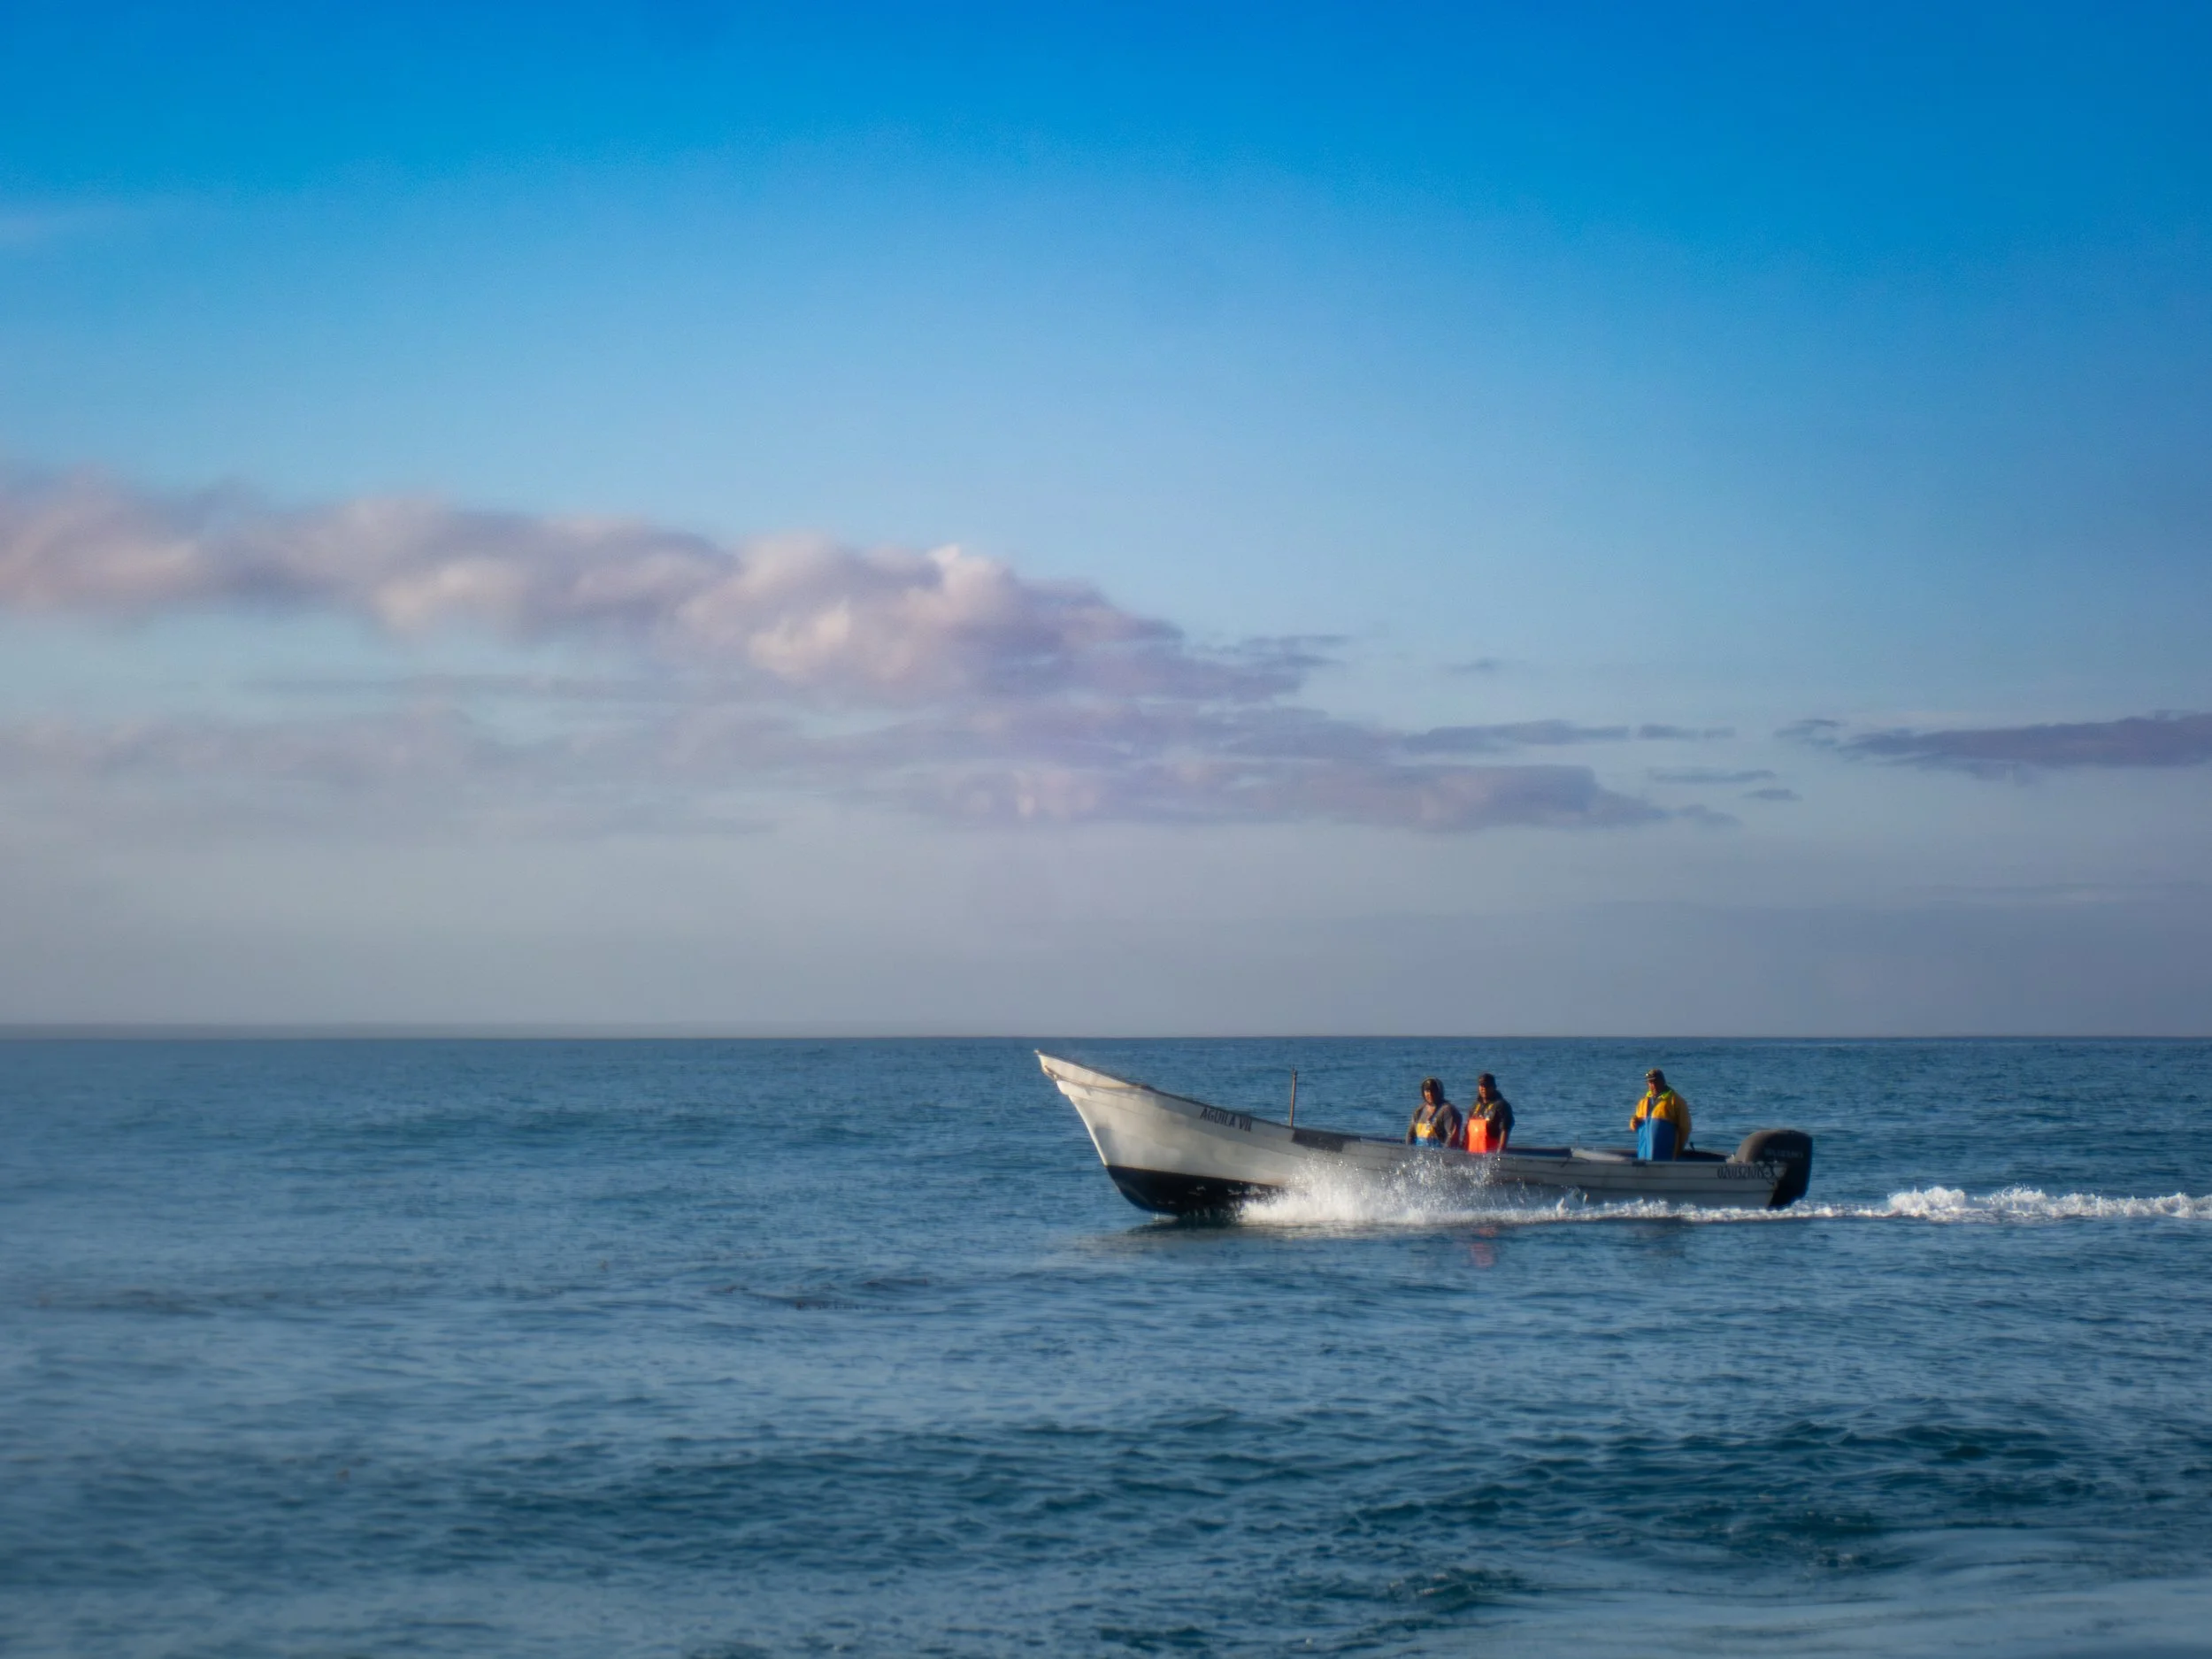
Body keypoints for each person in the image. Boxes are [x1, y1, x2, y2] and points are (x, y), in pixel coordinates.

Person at [1630, 1069, 1692, 1161]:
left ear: (1663, 1081)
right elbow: (1636, 1123)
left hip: (1665, 1156)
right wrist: (1633, 1123)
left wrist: (1678, 1150)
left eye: (1656, 1081)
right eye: (1650, 1082)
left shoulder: (1676, 1101)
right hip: (1644, 1155)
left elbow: (1685, 1128)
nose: (1653, 1085)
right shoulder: (1643, 1102)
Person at [1406, 1077, 1462, 1149]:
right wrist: (1409, 1151)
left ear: (1439, 1091)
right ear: (1423, 1092)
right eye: (1427, 1091)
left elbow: (1451, 1136)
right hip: (1419, 1155)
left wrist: (1444, 1154)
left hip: (1439, 1154)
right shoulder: (1419, 1111)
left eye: (1433, 1090)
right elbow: (1410, 1134)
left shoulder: (1446, 1110)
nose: (1430, 1094)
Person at [1465, 1073, 1514, 1154]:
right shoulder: (1475, 1107)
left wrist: (1500, 1153)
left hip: (1491, 1154)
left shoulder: (1502, 1106)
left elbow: (1505, 1129)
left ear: (1494, 1087)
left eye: (1487, 1086)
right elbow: (1467, 1130)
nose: (1484, 1088)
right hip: (1473, 1153)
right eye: (1482, 1086)